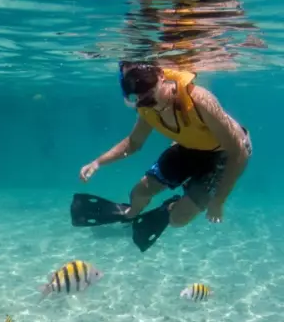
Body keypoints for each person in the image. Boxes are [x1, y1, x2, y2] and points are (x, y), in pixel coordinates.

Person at [71, 61, 251, 251]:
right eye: (135, 91)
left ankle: (169, 208)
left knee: (178, 219)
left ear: (162, 76)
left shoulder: (199, 101)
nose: (143, 97)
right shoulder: (146, 106)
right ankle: (130, 216)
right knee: (138, 193)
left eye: (146, 87)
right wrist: (98, 162)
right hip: (189, 147)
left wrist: (219, 200)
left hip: (222, 153)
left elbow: (238, 152)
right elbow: (133, 143)